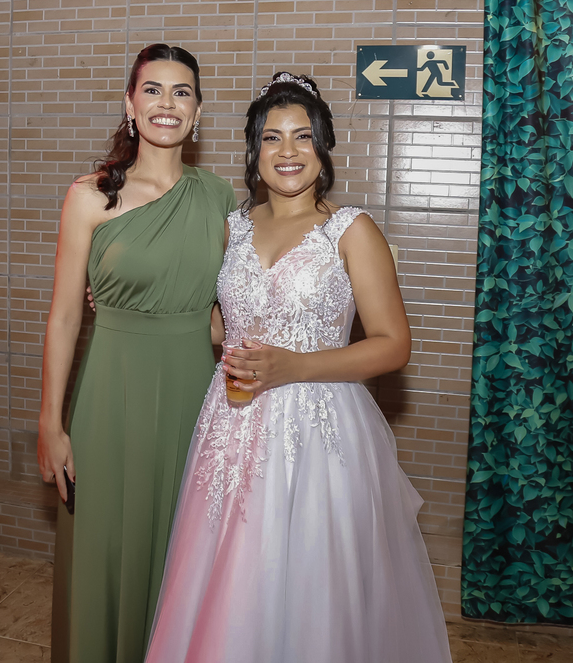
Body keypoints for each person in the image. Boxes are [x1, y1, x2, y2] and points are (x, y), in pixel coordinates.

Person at [144, 73, 453, 662]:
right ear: (254, 151)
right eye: (272, 138)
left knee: (311, 581)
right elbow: (218, 325)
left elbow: (394, 345)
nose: (287, 151)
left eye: (302, 136)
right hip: (231, 426)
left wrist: (294, 367)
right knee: (231, 575)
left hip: (320, 430)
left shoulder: (351, 230)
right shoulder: (233, 228)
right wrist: (135, 304)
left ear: (322, 147)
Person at [37, 43, 237, 663]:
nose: (166, 104)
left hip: (193, 398)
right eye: (152, 90)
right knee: (108, 547)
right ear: (129, 104)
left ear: (198, 110)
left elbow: (224, 318)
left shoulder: (221, 198)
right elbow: (65, 315)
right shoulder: (90, 196)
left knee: (183, 550)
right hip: (111, 396)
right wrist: (50, 422)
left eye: (182, 92)